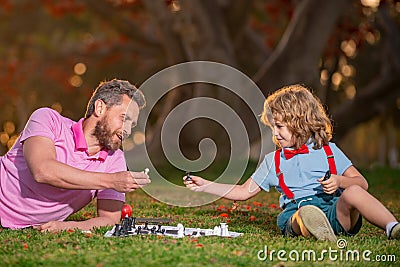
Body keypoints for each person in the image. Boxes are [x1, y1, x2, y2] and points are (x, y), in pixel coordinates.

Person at [184, 84, 399, 241]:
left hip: (335, 212)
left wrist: (340, 181)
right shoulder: (273, 161)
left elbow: (362, 184)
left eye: (279, 126)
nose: (275, 134)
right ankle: (317, 231)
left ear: (301, 123)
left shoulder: (328, 152)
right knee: (302, 216)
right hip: (297, 211)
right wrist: (206, 185)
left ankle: (392, 227)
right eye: (273, 127)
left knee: (354, 193)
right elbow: (243, 192)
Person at [0, 79, 151, 232]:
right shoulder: (48, 120)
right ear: (100, 108)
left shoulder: (115, 159)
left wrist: (66, 226)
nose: (128, 131)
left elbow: (109, 219)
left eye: (132, 125)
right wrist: (111, 180)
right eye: (124, 118)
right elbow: (42, 170)